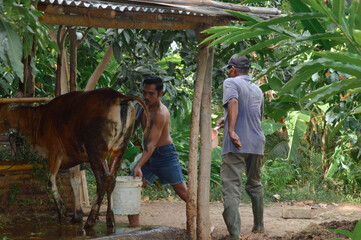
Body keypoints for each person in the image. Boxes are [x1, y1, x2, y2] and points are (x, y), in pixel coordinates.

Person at [216, 55, 265, 239]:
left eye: (229, 68)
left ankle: (234, 235)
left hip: (236, 145)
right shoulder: (258, 89)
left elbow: (234, 102)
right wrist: (226, 118)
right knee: (254, 184)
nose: (228, 72)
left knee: (231, 186)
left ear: (234, 69)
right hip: (257, 142)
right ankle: (259, 226)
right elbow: (254, 116)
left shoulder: (231, 82)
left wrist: (231, 130)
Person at [128, 75, 188, 226]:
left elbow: (151, 144)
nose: (146, 96)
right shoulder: (143, 106)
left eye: (151, 94)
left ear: (160, 93)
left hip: (165, 155)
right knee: (132, 189)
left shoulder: (161, 113)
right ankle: (134, 229)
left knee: (183, 192)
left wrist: (139, 165)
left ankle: (204, 222)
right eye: (144, 93)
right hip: (148, 154)